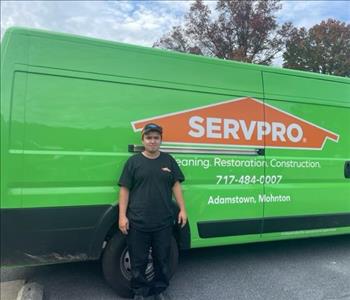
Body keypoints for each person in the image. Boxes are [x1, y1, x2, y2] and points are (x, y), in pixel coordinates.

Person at [118, 123, 187, 300]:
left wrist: (182, 209)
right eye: (149, 137)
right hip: (138, 222)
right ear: (143, 140)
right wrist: (122, 216)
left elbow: (176, 185)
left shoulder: (168, 160)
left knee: (161, 260)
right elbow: (124, 189)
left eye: (156, 138)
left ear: (160, 140)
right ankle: (139, 292)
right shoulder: (133, 162)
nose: (153, 141)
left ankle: (160, 290)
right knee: (138, 261)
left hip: (163, 222)